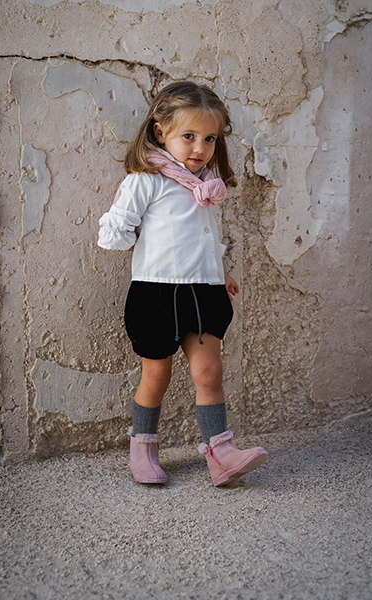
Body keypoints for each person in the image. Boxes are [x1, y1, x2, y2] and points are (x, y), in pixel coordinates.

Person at [98, 81, 268, 486]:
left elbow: (203, 237)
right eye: (188, 136)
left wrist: (215, 272)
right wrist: (139, 247)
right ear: (160, 132)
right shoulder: (148, 180)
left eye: (209, 138)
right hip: (157, 292)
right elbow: (113, 230)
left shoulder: (207, 186)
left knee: (209, 373)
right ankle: (143, 448)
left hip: (202, 292)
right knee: (156, 375)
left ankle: (220, 453)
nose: (200, 147)